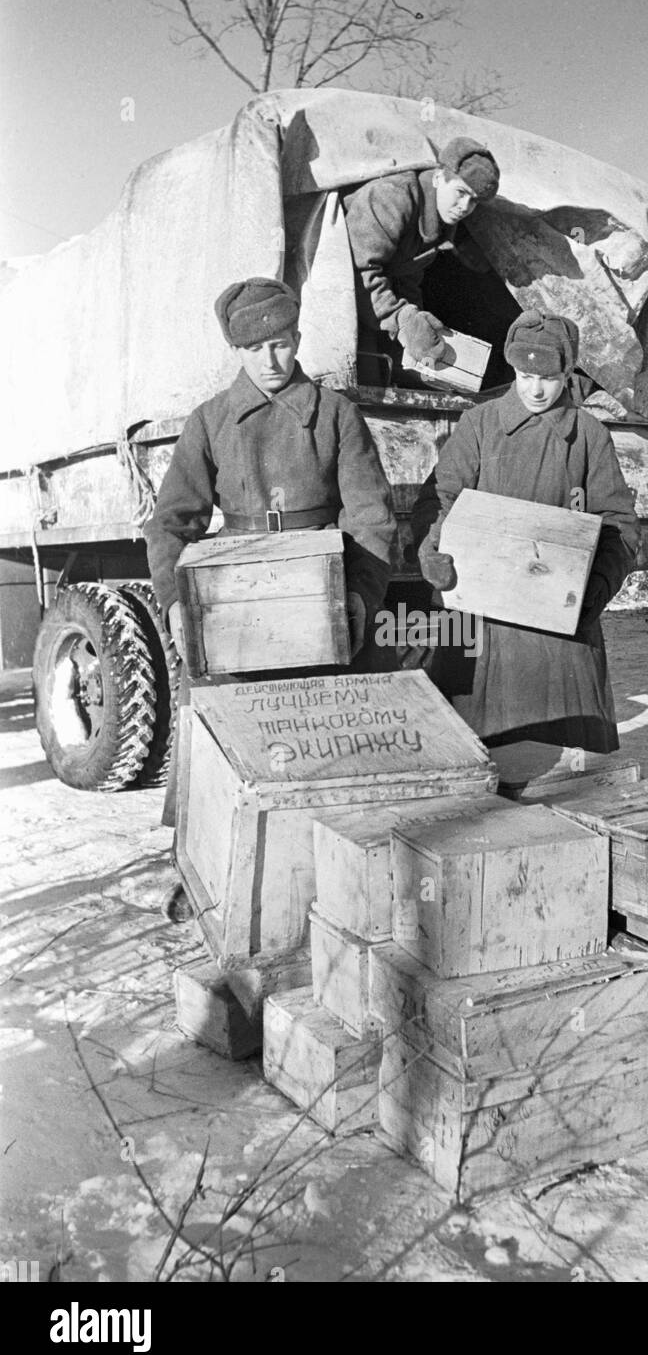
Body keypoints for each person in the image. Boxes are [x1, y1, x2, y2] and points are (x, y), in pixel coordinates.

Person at [145, 277, 397, 913]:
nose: (271, 360)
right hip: (235, 597)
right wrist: (178, 602)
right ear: (238, 351)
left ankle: (324, 874)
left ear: (298, 340)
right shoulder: (209, 422)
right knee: (221, 732)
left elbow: (369, 513)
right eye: (255, 348)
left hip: (319, 593)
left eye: (281, 344)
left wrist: (360, 596)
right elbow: (172, 522)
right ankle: (200, 862)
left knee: (324, 737)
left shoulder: (337, 414)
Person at [411, 309, 640, 752]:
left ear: (568, 371)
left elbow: (620, 526)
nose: (535, 389)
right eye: (524, 374)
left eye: (548, 378)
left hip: (560, 634)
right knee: (484, 763)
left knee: (568, 770)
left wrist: (594, 588)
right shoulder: (480, 424)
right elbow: (439, 499)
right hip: (482, 628)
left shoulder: (589, 435)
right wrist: (433, 548)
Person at [342, 137, 501, 375]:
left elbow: (408, 276)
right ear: (438, 177)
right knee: (360, 375)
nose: (464, 207)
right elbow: (358, 273)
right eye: (461, 192)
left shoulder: (443, 220)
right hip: (335, 299)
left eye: (474, 201)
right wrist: (403, 321)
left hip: (371, 306)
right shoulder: (392, 197)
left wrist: (419, 323)